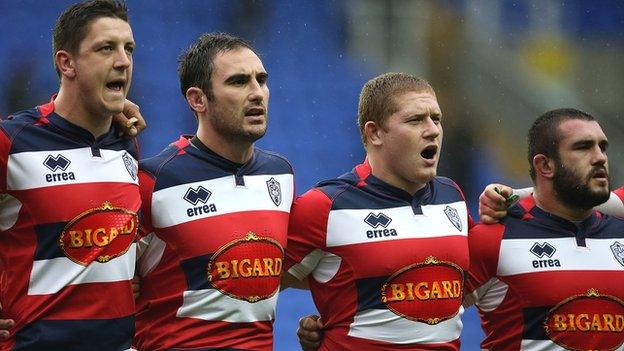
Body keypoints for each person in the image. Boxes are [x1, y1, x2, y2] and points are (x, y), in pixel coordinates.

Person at [284, 73, 471, 350]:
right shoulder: (325, 206)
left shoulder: (452, 196)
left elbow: (467, 287)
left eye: (436, 118)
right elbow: (258, 284)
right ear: (374, 133)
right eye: (415, 120)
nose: (433, 130)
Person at [133, 33, 294, 350]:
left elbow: (298, 268)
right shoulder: (154, 179)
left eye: (261, 80)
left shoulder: (281, 174)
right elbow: (95, 276)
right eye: (238, 82)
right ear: (198, 99)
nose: (257, 93)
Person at [0, 1, 144, 350]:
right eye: (106, 48)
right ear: (67, 63)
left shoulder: (126, 144)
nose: (123, 61)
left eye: (128, 48)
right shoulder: (13, 141)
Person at [465, 108, 624, 350]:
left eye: (603, 147)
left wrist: (516, 195)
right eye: (583, 147)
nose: (600, 157)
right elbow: (429, 326)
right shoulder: (495, 238)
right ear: (545, 165)